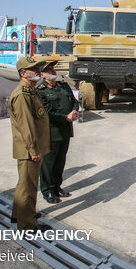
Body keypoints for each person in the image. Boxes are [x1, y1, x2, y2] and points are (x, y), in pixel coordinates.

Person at [9, 56, 51, 232]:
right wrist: (34, 150)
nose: (38, 73)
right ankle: (27, 225)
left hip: (31, 147)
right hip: (29, 149)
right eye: (34, 70)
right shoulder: (22, 94)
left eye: (38, 69)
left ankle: (19, 214)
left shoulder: (31, 91)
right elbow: (26, 125)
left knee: (24, 183)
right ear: (23, 73)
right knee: (29, 187)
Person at [37, 61, 79, 204]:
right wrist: (65, 117)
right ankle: (47, 190)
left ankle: (56, 187)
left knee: (60, 161)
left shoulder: (64, 86)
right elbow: (47, 112)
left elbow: (74, 101)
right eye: (48, 70)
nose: (52, 71)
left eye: (52, 69)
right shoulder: (40, 90)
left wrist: (74, 111)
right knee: (48, 163)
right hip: (51, 132)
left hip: (65, 131)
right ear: (42, 75)